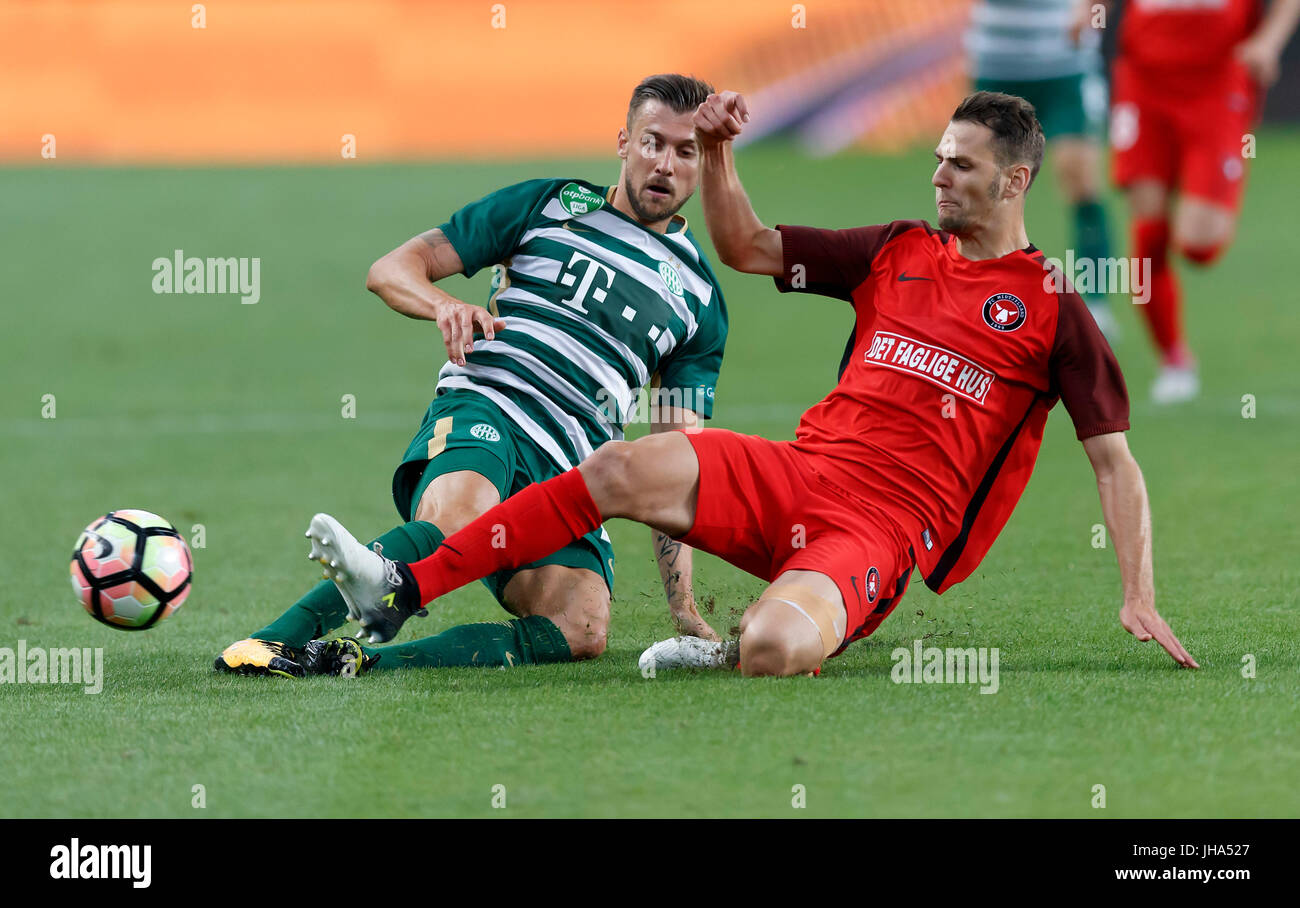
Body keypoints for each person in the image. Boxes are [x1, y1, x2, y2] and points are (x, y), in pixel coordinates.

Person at [301, 90, 1198, 678]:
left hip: (881, 529)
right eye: (936, 157)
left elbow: (1113, 462)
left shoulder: (1051, 307)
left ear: (1015, 179)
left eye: (959, 166)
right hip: (797, 473)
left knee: (773, 648)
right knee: (620, 464)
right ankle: (399, 591)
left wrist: (1138, 592)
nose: (938, 177)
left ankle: (731, 642)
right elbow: (747, 248)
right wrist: (722, 151)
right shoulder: (895, 250)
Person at [213, 73, 728, 677]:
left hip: (573, 464)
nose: (664, 164)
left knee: (581, 624)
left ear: (704, 162)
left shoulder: (700, 299)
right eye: (651, 142)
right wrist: (444, 305)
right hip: (489, 409)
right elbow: (392, 268)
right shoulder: (548, 204)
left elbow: (674, 460)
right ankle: (268, 642)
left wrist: (685, 608)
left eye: (685, 150)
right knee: (460, 515)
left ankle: (355, 660)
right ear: (623, 142)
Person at [1106, 0, 1300, 402]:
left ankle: (1199, 191)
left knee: (1198, 244)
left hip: (1217, 83)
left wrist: (1268, 42)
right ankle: (1173, 359)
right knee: (1148, 228)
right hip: (1144, 81)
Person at [967, 0, 1119, 338]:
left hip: (1066, 63)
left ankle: (1095, 305)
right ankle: (980, 296)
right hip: (998, 65)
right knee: (985, 187)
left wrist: (1091, 8)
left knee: (1079, 179)